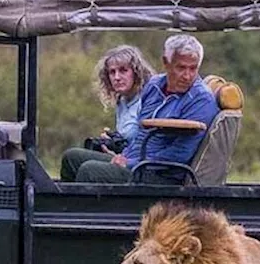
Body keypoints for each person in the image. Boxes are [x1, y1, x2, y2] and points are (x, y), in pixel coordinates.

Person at [60, 34, 219, 183]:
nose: (187, 76)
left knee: (90, 171)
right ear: (166, 63)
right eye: (181, 68)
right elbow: (142, 136)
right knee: (71, 157)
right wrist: (124, 156)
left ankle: (85, 211)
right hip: (137, 162)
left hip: (162, 173)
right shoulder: (154, 85)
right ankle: (61, 212)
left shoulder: (200, 99)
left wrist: (131, 163)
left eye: (193, 68)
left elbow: (180, 153)